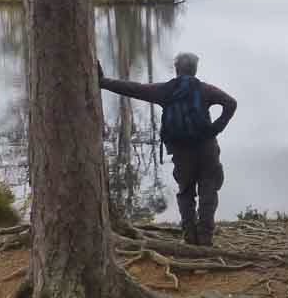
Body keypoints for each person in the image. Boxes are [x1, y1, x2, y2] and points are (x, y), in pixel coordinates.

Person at [99, 52, 237, 246]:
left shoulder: (165, 90)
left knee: (186, 192)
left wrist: (104, 82)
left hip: (181, 150)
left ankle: (189, 237)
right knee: (209, 190)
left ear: (177, 69)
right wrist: (215, 129)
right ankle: (206, 237)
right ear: (195, 69)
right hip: (207, 147)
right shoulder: (205, 90)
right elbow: (231, 103)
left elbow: (134, 89)